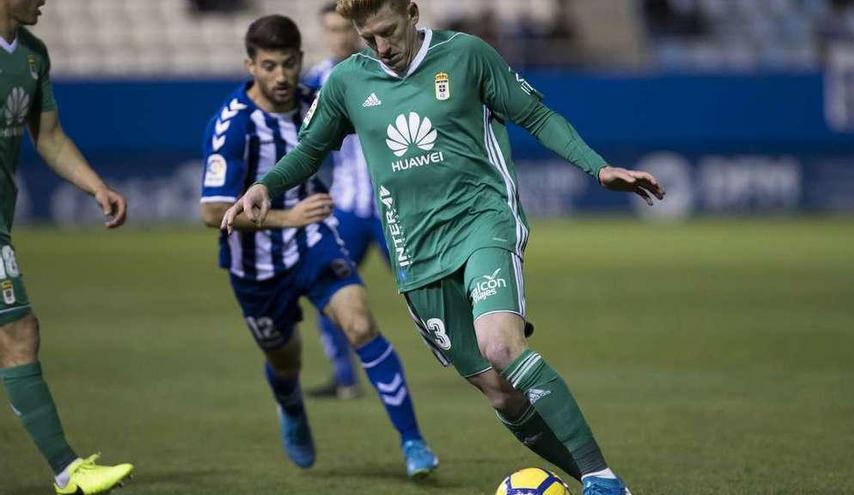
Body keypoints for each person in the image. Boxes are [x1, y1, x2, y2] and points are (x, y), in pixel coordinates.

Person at [222, 1, 666, 494]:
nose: (381, 48)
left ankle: (604, 482)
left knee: (499, 345)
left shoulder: (468, 55)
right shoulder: (348, 81)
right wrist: (266, 185)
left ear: (412, 13)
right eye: (369, 38)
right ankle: (593, 479)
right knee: (500, 395)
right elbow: (309, 150)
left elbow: (536, 115)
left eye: (388, 32)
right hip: (415, 254)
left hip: (482, 222)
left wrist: (596, 167)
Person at [199, 14, 438, 478]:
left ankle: (414, 443)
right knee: (286, 361)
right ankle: (290, 407)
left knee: (361, 325)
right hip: (257, 266)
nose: (281, 76)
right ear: (251, 66)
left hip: (314, 242)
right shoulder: (232, 125)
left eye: (289, 64)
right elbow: (212, 212)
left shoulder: (319, 101)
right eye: (269, 66)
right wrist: (287, 216)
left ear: (301, 60)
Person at [0, 1, 134, 494]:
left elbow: (49, 136)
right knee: (17, 332)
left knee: (15, 333)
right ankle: (68, 471)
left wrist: (95, 186)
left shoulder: (32, 54)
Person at [300, 2, 385, 400]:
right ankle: (344, 379)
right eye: (332, 29)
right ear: (323, 33)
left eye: (345, 28)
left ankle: (477, 364)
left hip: (391, 208)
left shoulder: (383, 70)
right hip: (346, 208)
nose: (340, 36)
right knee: (327, 291)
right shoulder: (313, 81)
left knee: (427, 290)